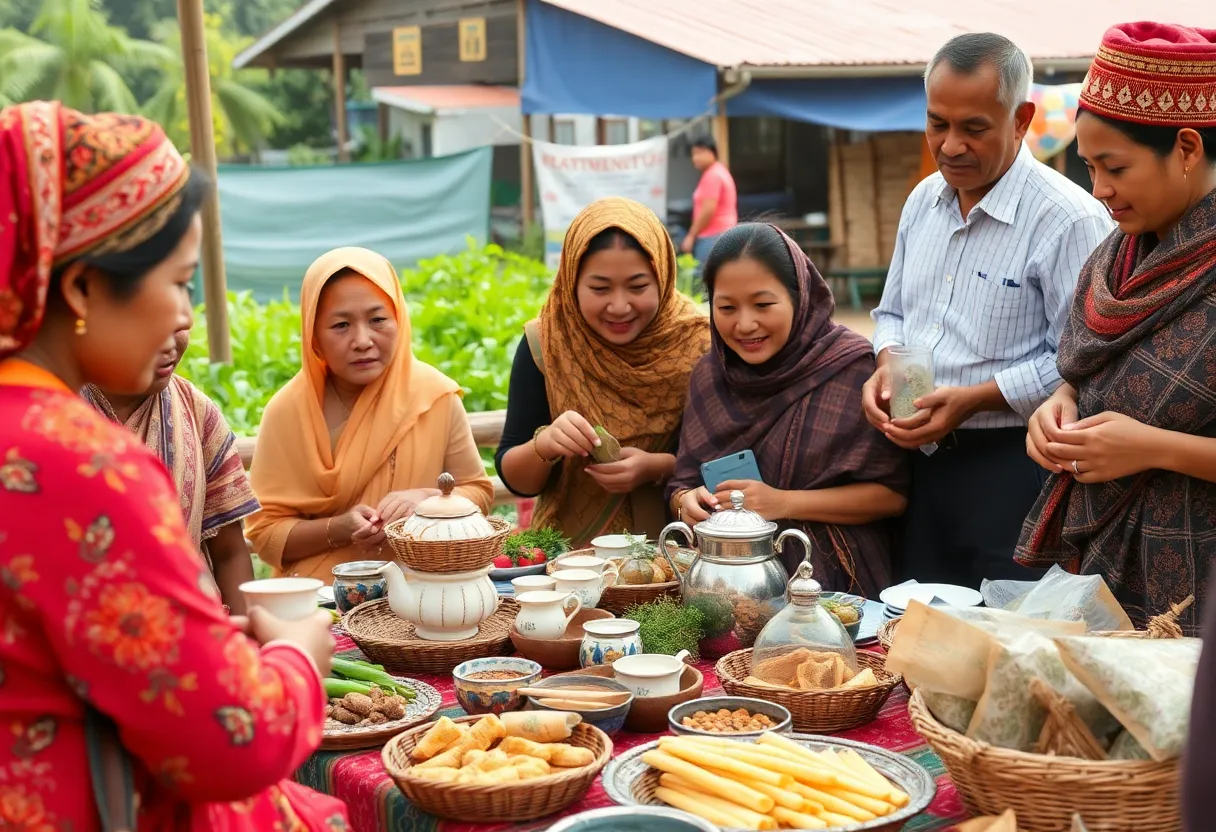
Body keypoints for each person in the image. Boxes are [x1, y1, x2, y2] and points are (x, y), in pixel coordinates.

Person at [0, 102, 346, 830]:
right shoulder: (84, 468)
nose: (183, 314)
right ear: (83, 290)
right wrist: (297, 660)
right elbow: (230, 742)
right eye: (180, 281)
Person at [862, 32, 1115, 588]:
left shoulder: (1068, 219)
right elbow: (893, 314)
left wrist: (977, 399)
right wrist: (885, 365)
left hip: (1015, 468)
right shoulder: (922, 201)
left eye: (974, 128)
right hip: (921, 462)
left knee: (1010, 641)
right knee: (920, 635)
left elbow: (1083, 361)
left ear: (1021, 119)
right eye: (937, 124)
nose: (950, 146)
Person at [1018, 22, 1216, 635]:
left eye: (1116, 167)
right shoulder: (1115, 255)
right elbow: (1086, 372)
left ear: (1186, 149)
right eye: (1088, 167)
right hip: (1103, 567)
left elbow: (1142, 427)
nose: (1099, 190)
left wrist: (1154, 448)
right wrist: (1059, 405)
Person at [669, 224, 909, 596]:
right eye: (726, 307)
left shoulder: (852, 369)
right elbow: (682, 480)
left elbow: (891, 496)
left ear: (801, 297)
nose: (745, 324)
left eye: (764, 305)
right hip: (728, 585)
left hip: (834, 586)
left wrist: (783, 502)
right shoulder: (710, 377)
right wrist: (687, 501)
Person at [246, 247, 493, 580]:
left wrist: (428, 499)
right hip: (321, 602)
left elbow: (476, 492)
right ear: (313, 337)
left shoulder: (434, 396)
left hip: (421, 592)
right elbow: (265, 533)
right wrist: (341, 527)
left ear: (399, 320)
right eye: (341, 325)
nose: (362, 341)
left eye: (378, 320)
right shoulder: (288, 411)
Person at [496, 198, 710, 545]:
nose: (620, 306)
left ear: (663, 278)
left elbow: (728, 458)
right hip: (569, 563)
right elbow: (519, 480)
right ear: (571, 282)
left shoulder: (699, 344)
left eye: (638, 286)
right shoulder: (547, 344)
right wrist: (547, 443)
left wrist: (656, 467)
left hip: (679, 555)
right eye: (599, 288)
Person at [81, 328, 259, 614]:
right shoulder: (59, 416)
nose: (169, 343)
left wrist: (244, 647)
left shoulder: (197, 412)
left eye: (179, 325)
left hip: (194, 632)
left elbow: (229, 553)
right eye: (150, 324)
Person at [681, 136, 738, 267]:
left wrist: (691, 236)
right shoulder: (719, 171)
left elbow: (708, 210)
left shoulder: (712, 175)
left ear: (712, 152)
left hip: (713, 237)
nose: (695, 158)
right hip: (723, 234)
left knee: (705, 281)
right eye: (693, 154)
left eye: (700, 153)